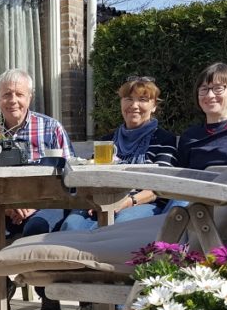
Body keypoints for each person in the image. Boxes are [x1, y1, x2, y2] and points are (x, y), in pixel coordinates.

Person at [0, 68, 74, 310]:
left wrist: (34, 205)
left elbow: (71, 176)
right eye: (6, 94)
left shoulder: (50, 128)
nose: (12, 100)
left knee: (37, 229)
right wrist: (5, 207)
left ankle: (48, 296)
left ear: (29, 97)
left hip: (46, 204)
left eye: (19, 94)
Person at [61, 76, 177, 231]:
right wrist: (95, 201)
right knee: (72, 227)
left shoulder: (164, 140)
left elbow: (160, 187)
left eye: (143, 99)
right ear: (121, 102)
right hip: (100, 202)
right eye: (128, 98)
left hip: (142, 203)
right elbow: (91, 178)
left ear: (154, 106)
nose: (134, 105)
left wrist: (127, 202)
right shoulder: (107, 142)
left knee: (120, 226)